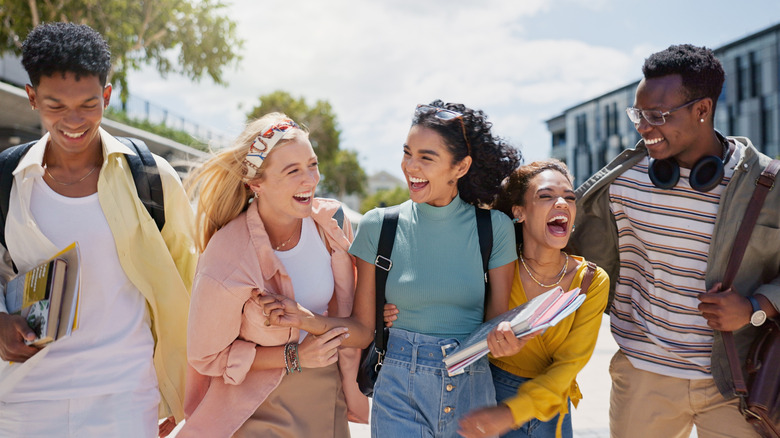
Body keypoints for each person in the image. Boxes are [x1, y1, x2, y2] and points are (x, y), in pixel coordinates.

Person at [260, 100, 523, 437]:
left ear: (460, 167)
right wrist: (307, 321)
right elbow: (362, 330)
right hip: (399, 389)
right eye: (407, 152)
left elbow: (496, 323)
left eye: (426, 158)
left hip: (472, 390)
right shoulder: (379, 227)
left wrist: (508, 340)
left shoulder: (494, 229)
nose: (410, 166)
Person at [570, 44, 780, 438]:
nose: (643, 127)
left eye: (656, 116)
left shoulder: (767, 186)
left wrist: (755, 307)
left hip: (736, 382)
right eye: (639, 115)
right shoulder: (621, 184)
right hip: (643, 376)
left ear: (702, 110)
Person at [0, 23, 196, 437]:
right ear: (32, 97)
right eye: (55, 105)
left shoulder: (152, 178)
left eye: (89, 104)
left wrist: (181, 389)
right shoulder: (7, 180)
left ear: (107, 95)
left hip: (125, 397)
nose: (74, 121)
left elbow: (190, 280)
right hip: (24, 399)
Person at [179, 113, 368, 437]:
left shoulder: (331, 227)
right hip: (256, 410)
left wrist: (308, 322)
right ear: (256, 184)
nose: (309, 179)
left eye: (312, 164)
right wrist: (293, 356)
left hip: (327, 401)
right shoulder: (228, 254)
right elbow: (207, 357)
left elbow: (358, 328)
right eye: (292, 171)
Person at [451, 160, 609, 438]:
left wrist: (512, 412)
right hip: (486, 398)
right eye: (546, 196)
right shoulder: (497, 267)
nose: (562, 203)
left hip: (551, 408)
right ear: (519, 212)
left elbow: (569, 365)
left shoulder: (591, 281)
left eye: (569, 198)